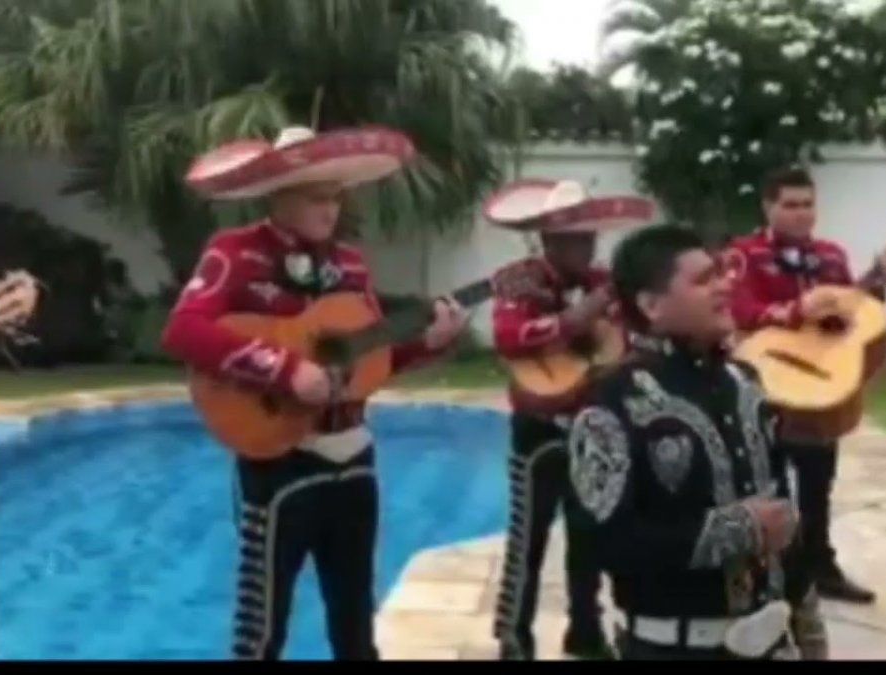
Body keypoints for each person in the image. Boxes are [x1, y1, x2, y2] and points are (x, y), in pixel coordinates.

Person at [161, 125, 468, 660]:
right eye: (316, 196)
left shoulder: (350, 264)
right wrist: (282, 370)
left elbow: (370, 362)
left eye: (336, 195)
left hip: (355, 460)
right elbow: (183, 331)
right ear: (280, 195)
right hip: (279, 461)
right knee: (262, 628)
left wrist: (430, 344)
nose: (331, 209)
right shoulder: (234, 253)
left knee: (354, 622)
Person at [566, 224, 828, 660]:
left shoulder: (746, 384)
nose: (726, 286)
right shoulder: (613, 400)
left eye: (722, 274)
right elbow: (604, 542)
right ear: (651, 305)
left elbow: (780, 512)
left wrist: (808, 627)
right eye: (704, 279)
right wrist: (736, 529)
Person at [725, 166, 886, 604]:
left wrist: (876, 281)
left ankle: (819, 566)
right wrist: (796, 309)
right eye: (790, 205)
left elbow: (848, 314)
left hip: (818, 388)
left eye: (808, 205)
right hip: (767, 384)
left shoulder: (832, 256)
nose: (801, 214)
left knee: (817, 485)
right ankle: (767, 573)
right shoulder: (744, 254)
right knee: (766, 482)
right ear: (768, 207)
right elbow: (742, 311)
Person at [483, 178, 657, 660]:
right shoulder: (520, 279)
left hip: (594, 428)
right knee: (527, 541)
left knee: (590, 536)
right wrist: (572, 322)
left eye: (588, 236)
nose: (583, 245)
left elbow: (633, 338)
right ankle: (513, 638)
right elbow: (509, 336)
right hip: (538, 429)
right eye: (572, 237)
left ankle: (586, 631)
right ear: (547, 239)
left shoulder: (610, 284)